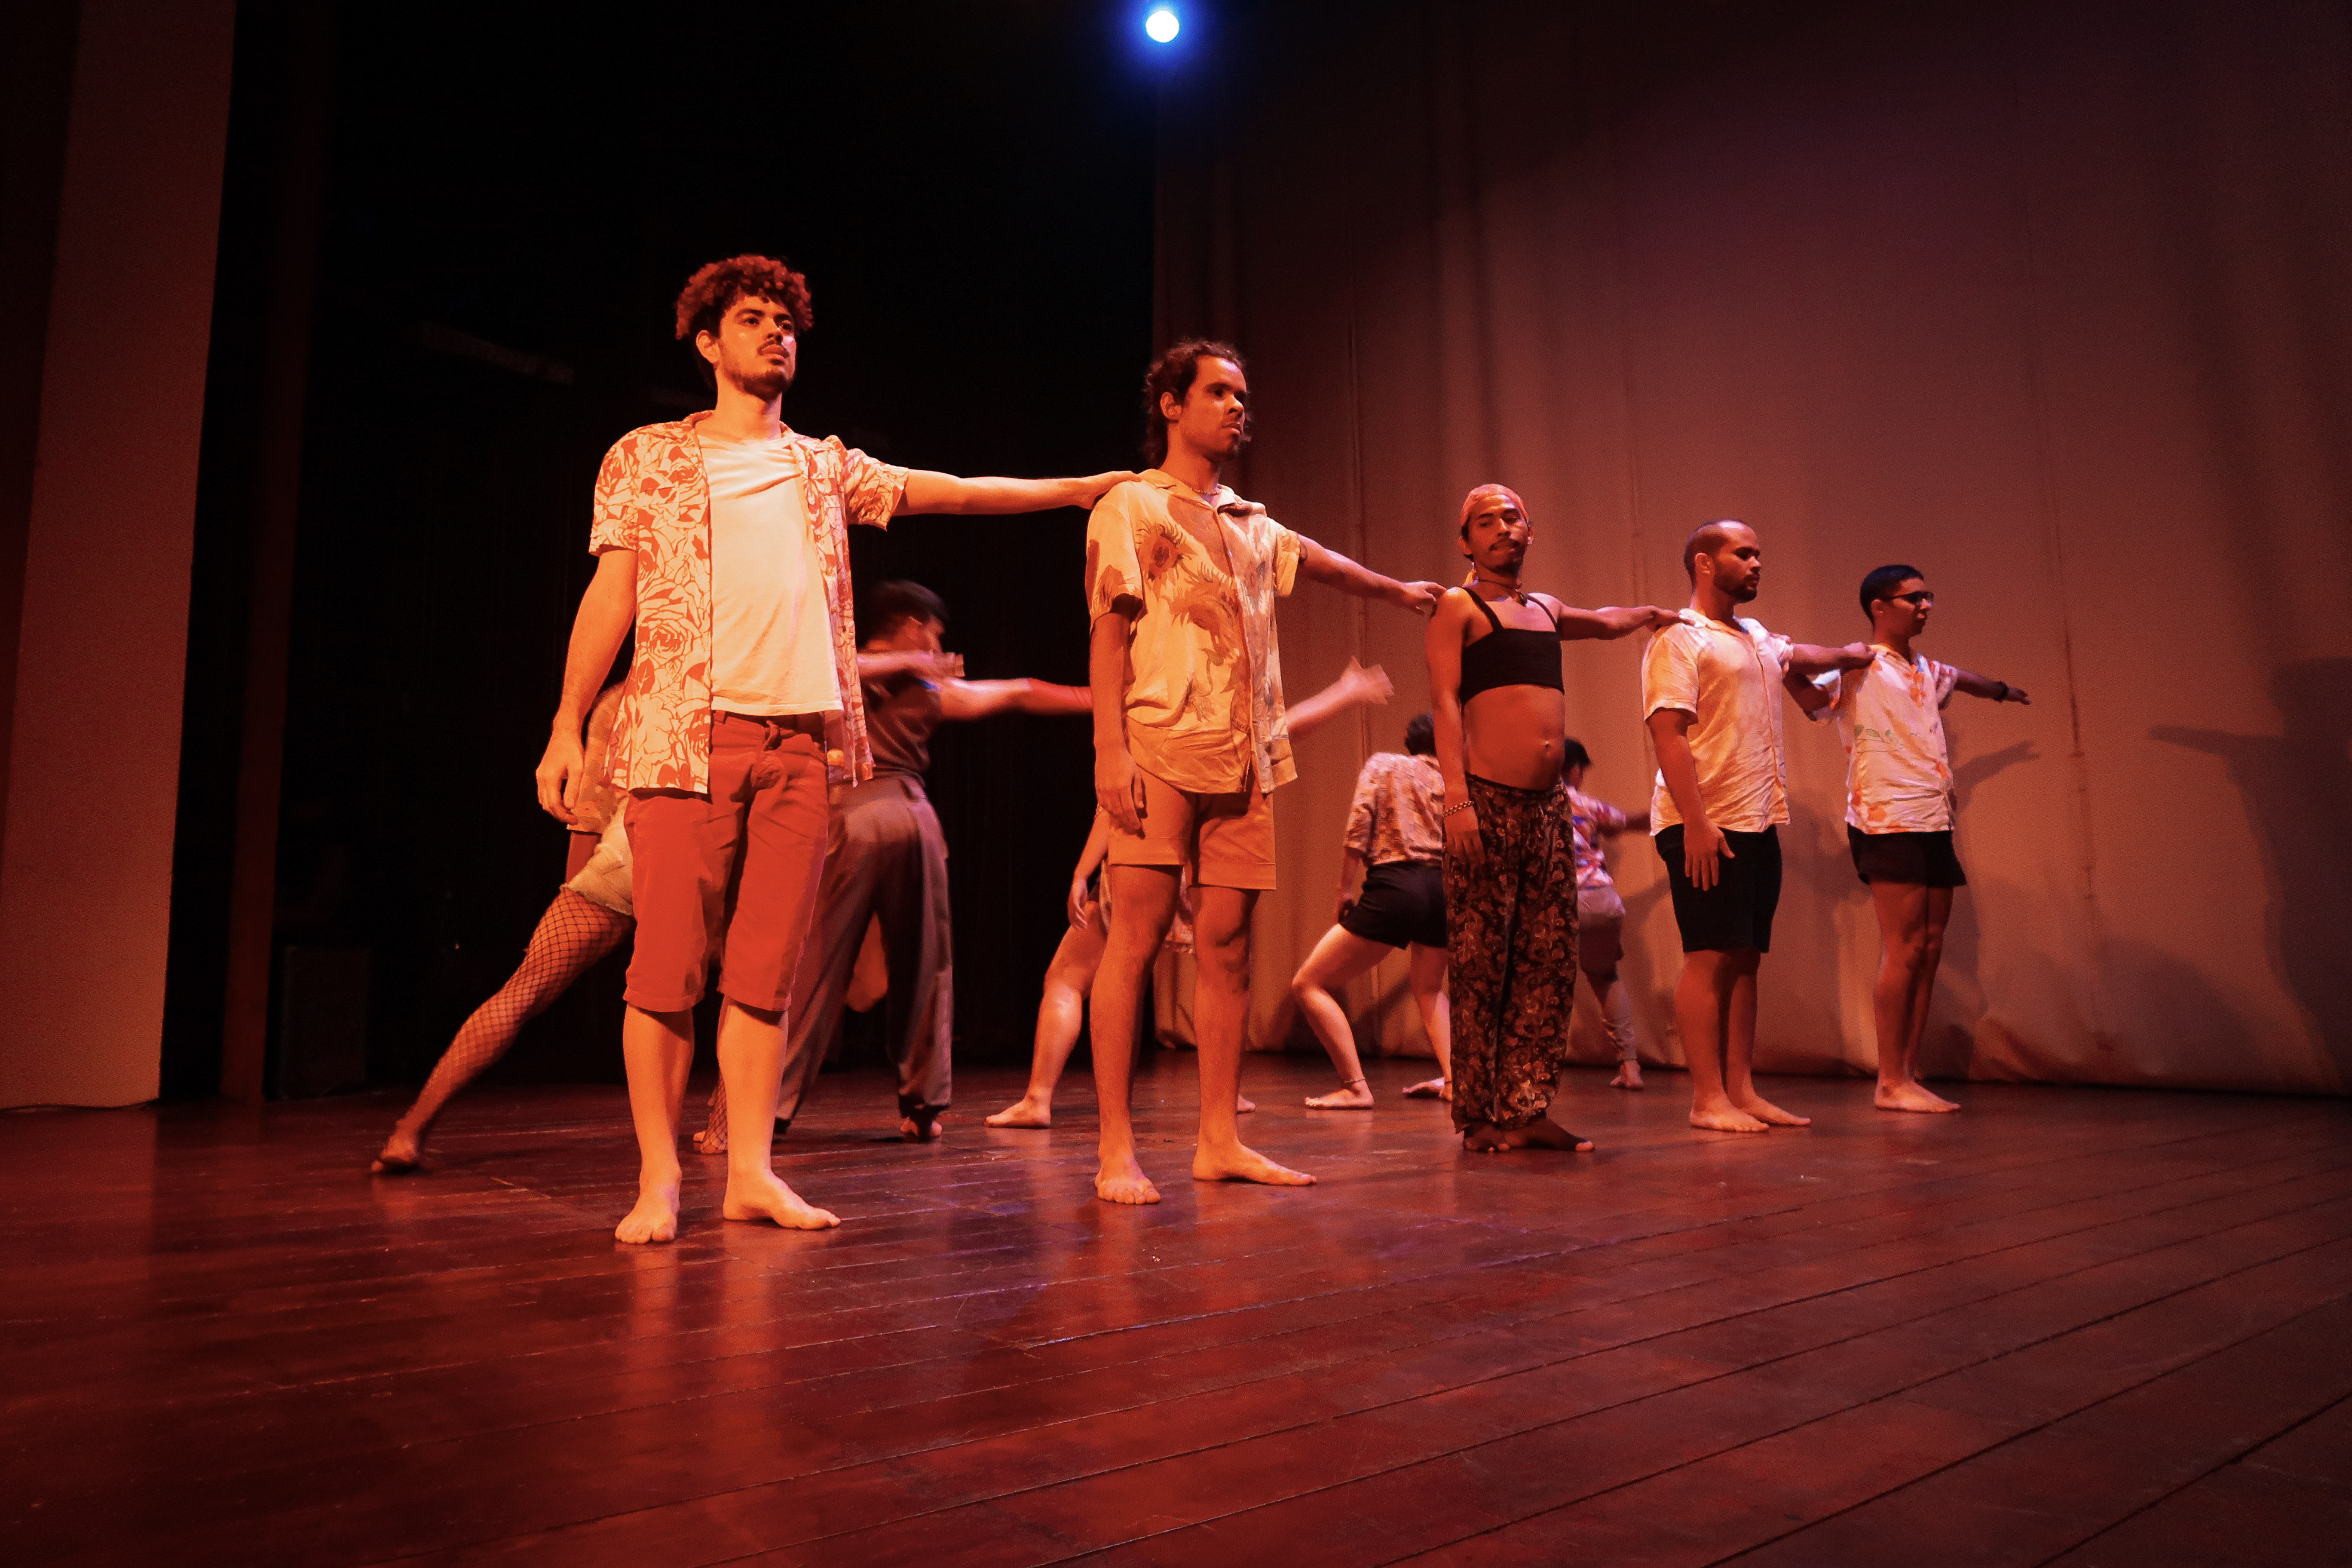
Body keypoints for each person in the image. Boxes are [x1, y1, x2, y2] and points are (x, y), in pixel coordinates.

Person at [532, 254, 1131, 1243]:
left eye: (787, 323)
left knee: (766, 974)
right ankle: (658, 1180)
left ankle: (751, 1175)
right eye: (754, 318)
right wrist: (566, 723)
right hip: (686, 741)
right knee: (666, 970)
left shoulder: (822, 466)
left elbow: (953, 492)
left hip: (803, 746)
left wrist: (1076, 489)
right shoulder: (645, 456)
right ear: (707, 341)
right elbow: (613, 595)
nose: (778, 333)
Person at [1083, 338, 1442, 1204]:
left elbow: (1319, 561)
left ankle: (1219, 1139)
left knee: (1230, 949)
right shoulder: (1132, 505)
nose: (1237, 407)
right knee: (1134, 942)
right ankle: (1115, 1149)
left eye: (1242, 395)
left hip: (1244, 757)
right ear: (1172, 404)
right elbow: (1109, 630)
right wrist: (1109, 750)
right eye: (1218, 392)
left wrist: (1397, 591)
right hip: (1159, 742)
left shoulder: (1250, 520)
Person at [692, 579, 1094, 1152]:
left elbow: (1016, 692)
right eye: (933, 633)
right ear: (911, 625)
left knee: (829, 965)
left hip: (862, 819)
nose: (938, 646)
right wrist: (915, 662)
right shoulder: (852, 668)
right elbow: (851, 668)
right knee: (895, 965)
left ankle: (776, 1107)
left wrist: (1094, 698)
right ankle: (919, 1105)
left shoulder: (912, 682)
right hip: (897, 818)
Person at [986, 658, 1394, 1130]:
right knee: (1219, 976)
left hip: (1145, 856)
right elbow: (1284, 733)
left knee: (1068, 978)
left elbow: (1116, 805)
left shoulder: (1152, 712)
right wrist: (1343, 693)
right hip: (1202, 865)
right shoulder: (1222, 717)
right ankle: (1227, 1093)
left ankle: (1038, 1099)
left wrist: (1082, 872)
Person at [1427, 483, 1678, 1154]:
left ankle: (1527, 1107)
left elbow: (1604, 621)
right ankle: (1478, 1115)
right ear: (1466, 542)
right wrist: (1456, 800)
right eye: (1485, 521)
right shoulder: (1459, 607)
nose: (1501, 529)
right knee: (1483, 961)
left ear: (1530, 530)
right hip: (1485, 801)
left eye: (1512, 517)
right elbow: (1445, 704)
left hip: (1547, 810)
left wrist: (1653, 615)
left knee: (1548, 959)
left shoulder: (1545, 608)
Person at [1642, 519, 1870, 1135]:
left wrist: (1856, 655)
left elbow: (1806, 657)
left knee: (1745, 960)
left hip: (1757, 817)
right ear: (1705, 563)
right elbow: (1668, 734)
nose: (1757, 563)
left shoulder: (1756, 635)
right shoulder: (1679, 638)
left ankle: (1741, 1090)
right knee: (1708, 957)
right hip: (1703, 819)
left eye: (1759, 554)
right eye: (1743, 554)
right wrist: (1696, 822)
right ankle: (1706, 1098)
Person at [372, 685, 636, 1173]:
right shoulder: (740, 693)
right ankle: (723, 1131)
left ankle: (410, 1130)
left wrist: (573, 898)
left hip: (627, 855)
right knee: (744, 996)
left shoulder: (622, 697)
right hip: (700, 855)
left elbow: (591, 815)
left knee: (521, 992)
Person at [1830, 564, 2030, 1113]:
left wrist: (2002, 691)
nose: (1926, 606)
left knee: (1930, 947)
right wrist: (1793, 662)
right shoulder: (1857, 665)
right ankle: (1889, 1081)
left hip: (1934, 817)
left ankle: (1907, 1070)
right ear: (1879, 607)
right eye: (1913, 598)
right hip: (1887, 817)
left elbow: (1962, 678)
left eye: (1929, 597)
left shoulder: (1922, 667)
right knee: (1904, 948)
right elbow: (1804, 686)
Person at [1289, 712, 1452, 1109]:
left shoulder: (1385, 764)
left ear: (1409, 739)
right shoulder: (1454, 782)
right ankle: (1456, 1081)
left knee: (1308, 984)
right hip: (1442, 890)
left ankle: (1355, 1087)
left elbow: (1359, 826)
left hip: (1397, 886)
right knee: (1430, 990)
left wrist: (1344, 889)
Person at [1561, 739, 1650, 1091]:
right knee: (1605, 977)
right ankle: (1630, 1067)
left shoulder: (1530, 808)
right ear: (1574, 770)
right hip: (1601, 901)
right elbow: (1627, 822)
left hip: (1557, 903)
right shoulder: (1587, 805)